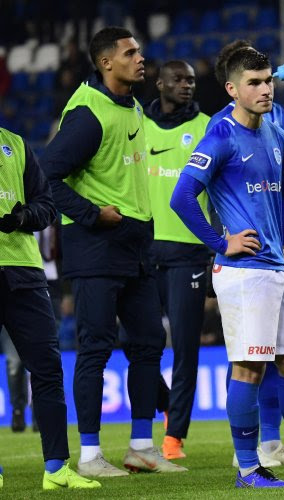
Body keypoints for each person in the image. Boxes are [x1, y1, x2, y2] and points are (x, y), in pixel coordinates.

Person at [170, 47, 284, 488]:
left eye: (268, 81)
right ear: (232, 89)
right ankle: (248, 468)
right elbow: (182, 197)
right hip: (242, 273)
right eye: (254, 83)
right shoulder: (220, 135)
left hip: (276, 267)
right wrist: (220, 241)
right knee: (249, 369)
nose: (265, 90)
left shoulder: (275, 133)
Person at [41, 26, 184, 477]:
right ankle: (88, 455)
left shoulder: (135, 107)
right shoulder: (88, 113)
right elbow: (45, 176)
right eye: (130, 52)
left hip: (135, 246)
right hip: (96, 247)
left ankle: (141, 446)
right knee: (95, 348)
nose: (140, 58)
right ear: (106, 63)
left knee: (147, 343)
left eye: (139, 50)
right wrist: (89, 214)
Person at [0, 125, 99, 490]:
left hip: (25, 273)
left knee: (47, 369)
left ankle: (56, 468)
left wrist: (25, 217)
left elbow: (47, 205)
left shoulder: (15, 145)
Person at [143, 60, 211, 460]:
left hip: (189, 252)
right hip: (144, 250)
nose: (187, 85)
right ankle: (166, 403)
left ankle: (174, 437)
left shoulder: (205, 127)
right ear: (160, 83)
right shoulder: (139, 125)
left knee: (185, 347)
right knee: (140, 343)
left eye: (191, 80)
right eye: (179, 79)